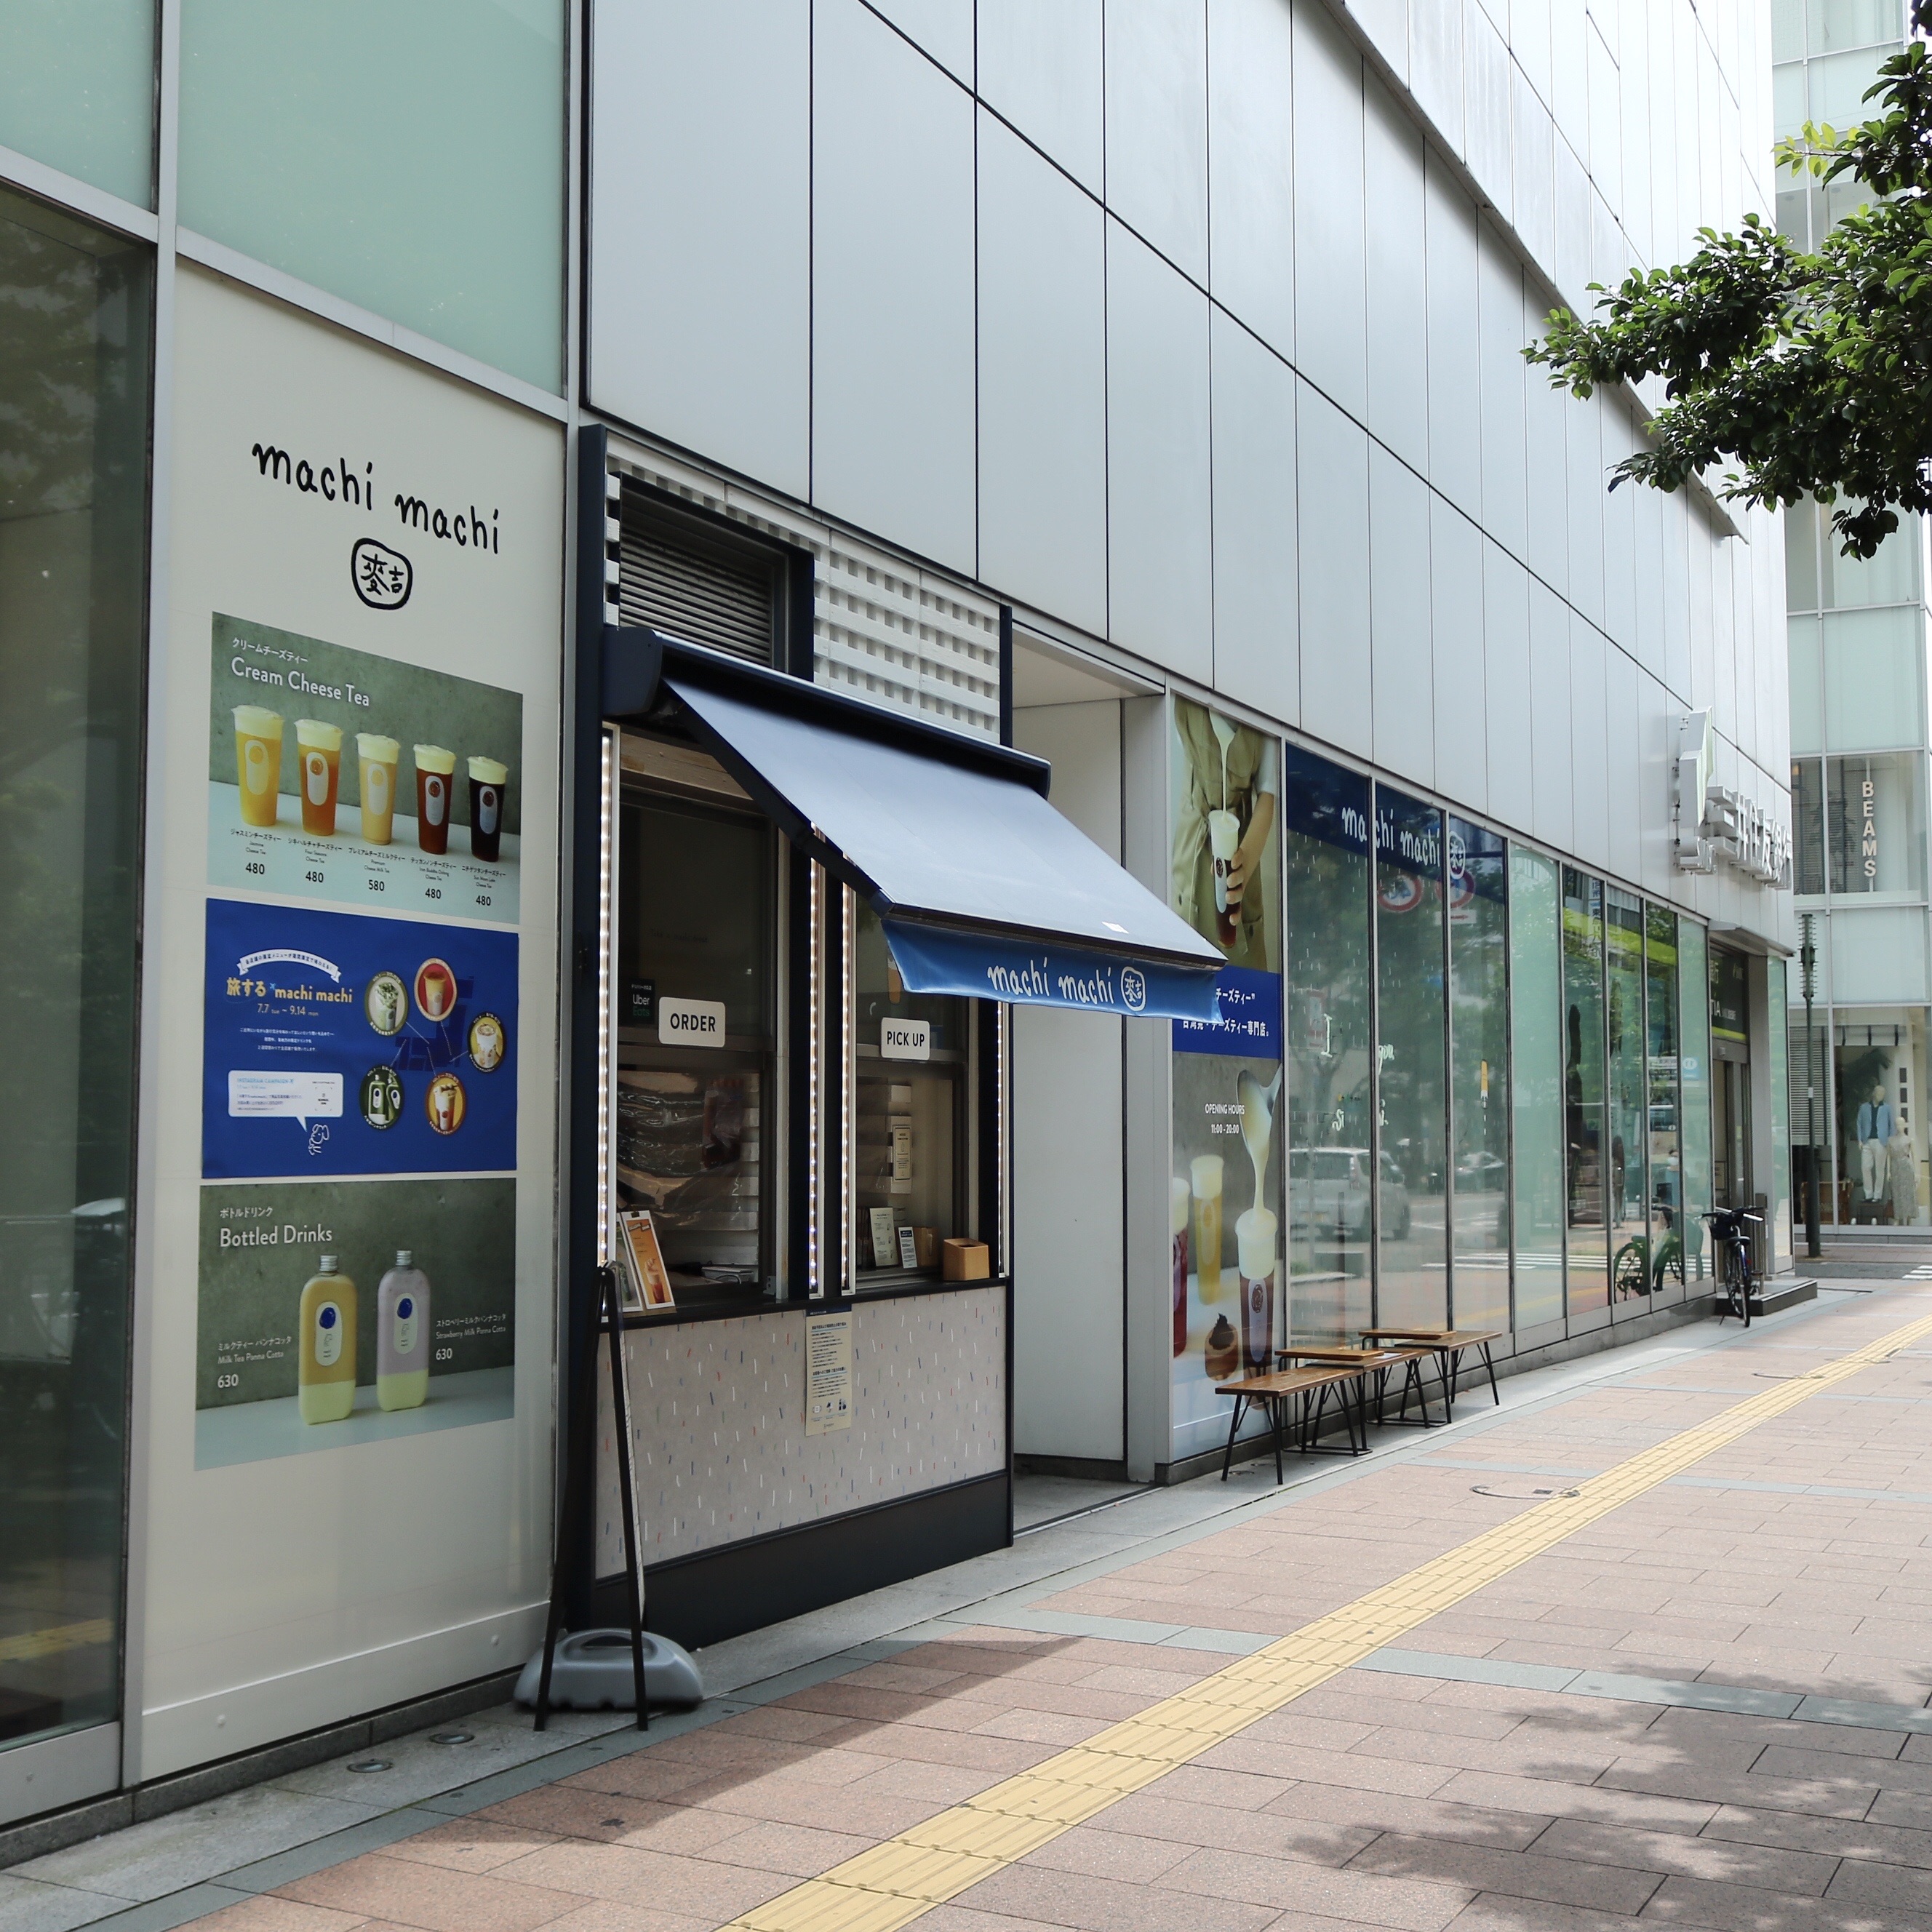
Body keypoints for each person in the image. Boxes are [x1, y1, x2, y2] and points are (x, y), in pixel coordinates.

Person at [1172, 701, 1278, 972]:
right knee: (1186, 954)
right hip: (1194, 837)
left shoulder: (1268, 702)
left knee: (1238, 961)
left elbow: (1268, 794)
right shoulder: (1186, 694)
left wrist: (1243, 868)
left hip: (1240, 839)